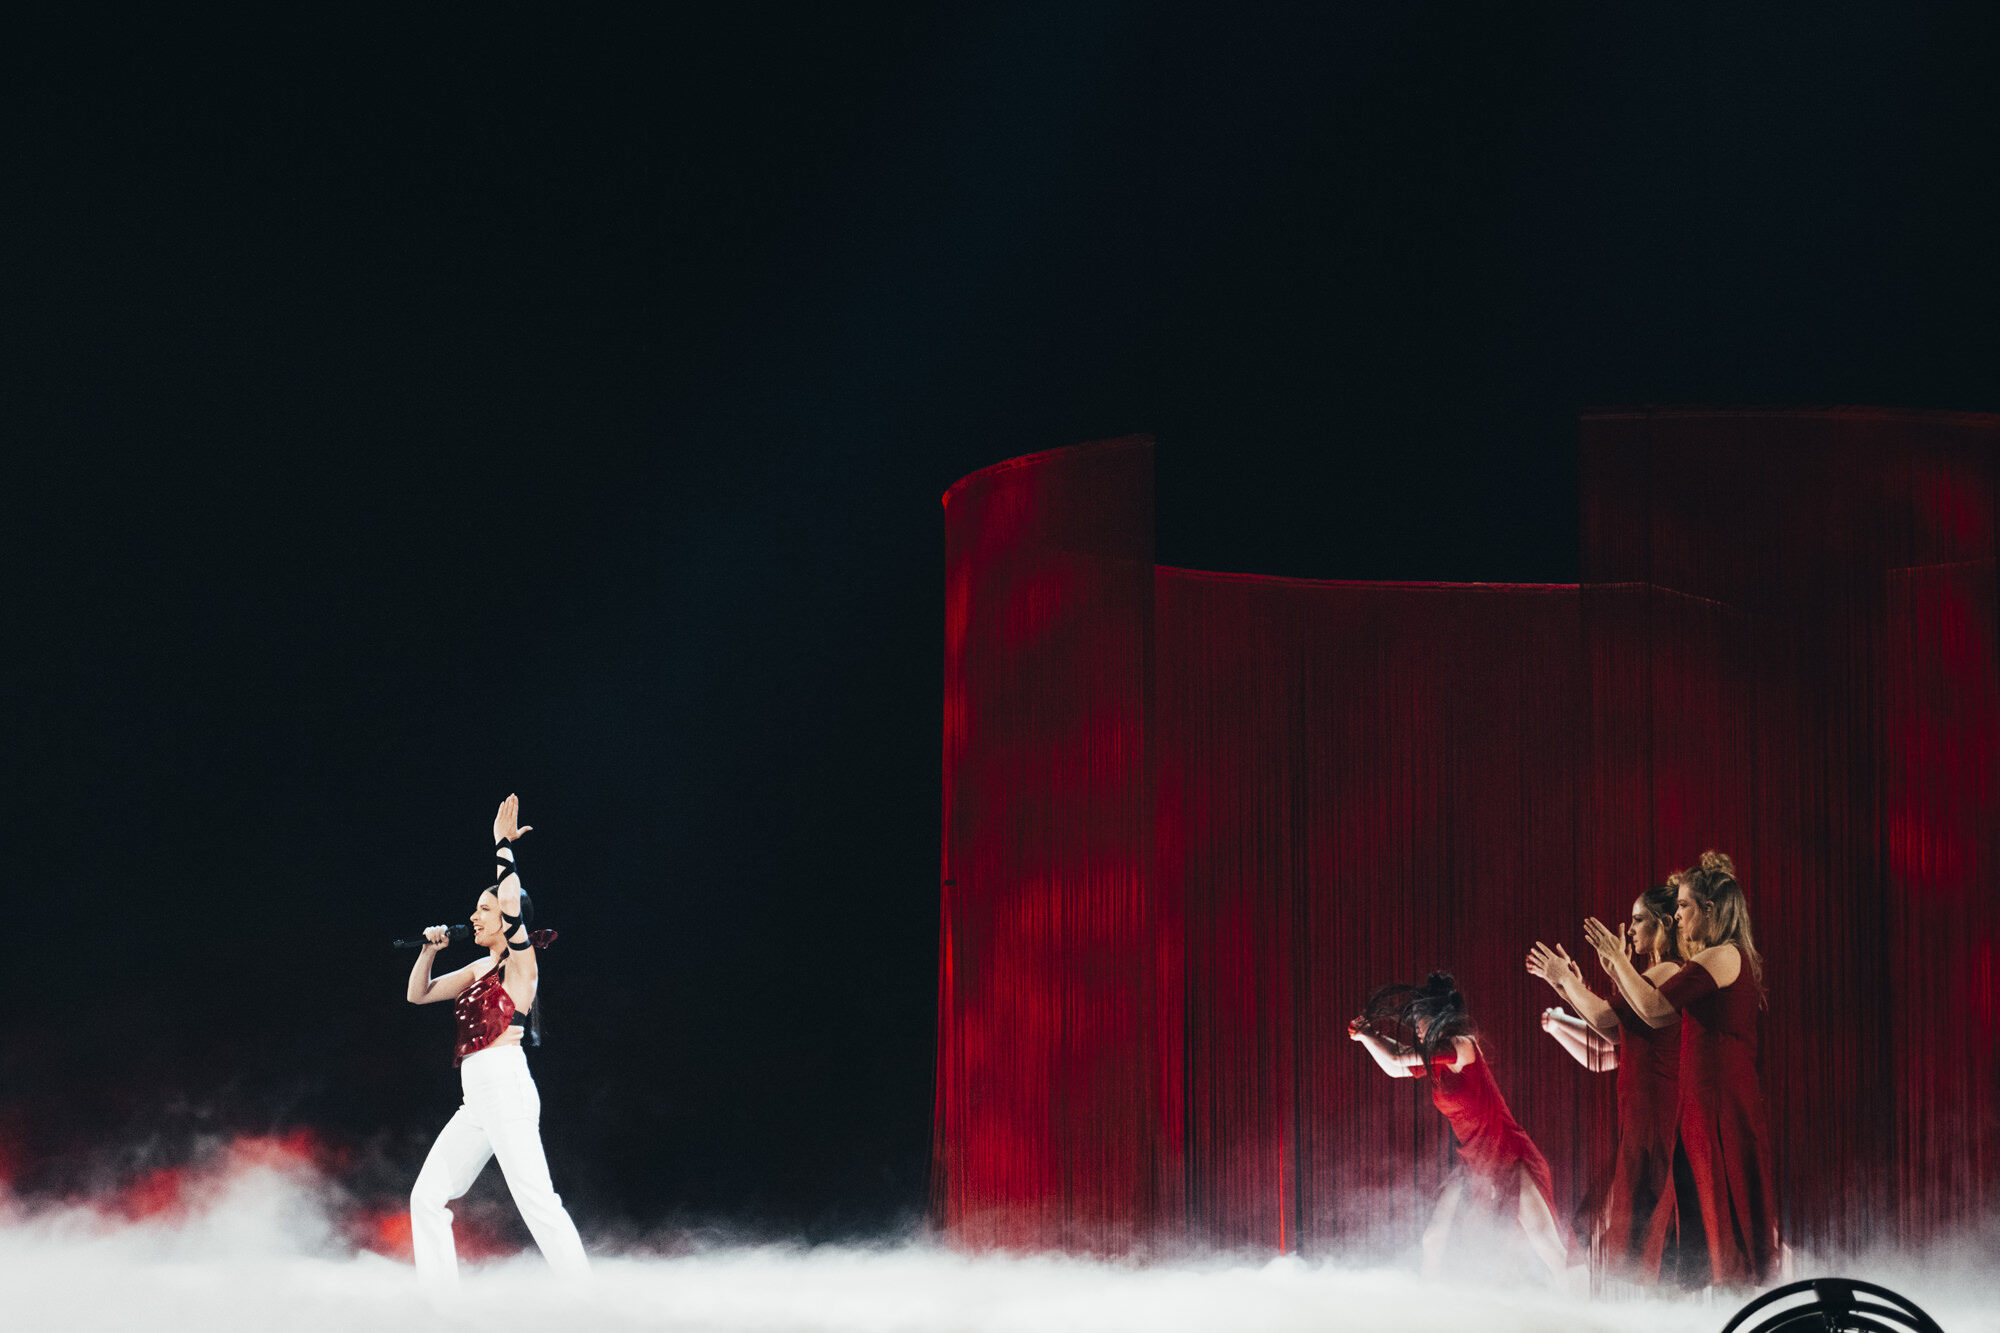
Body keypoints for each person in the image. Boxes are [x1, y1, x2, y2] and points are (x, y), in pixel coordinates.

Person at [405, 795, 590, 1293]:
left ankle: (587, 1304)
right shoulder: (476, 968)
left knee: (537, 1202)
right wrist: (428, 950)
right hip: (477, 1097)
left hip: (504, 1086)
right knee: (426, 1198)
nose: (475, 916)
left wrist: (502, 845)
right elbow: (418, 994)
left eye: (483, 909)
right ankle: (441, 1312)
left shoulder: (521, 962)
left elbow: (511, 904)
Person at [1584, 851, 1780, 1289]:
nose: (1677, 914)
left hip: (1719, 1108)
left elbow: (1653, 1010)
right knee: (1692, 1230)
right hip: (1698, 1108)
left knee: (1723, 1225)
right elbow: (1643, 1015)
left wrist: (1617, 961)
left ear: (1710, 910)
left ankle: (1737, 1304)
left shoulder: (1722, 956)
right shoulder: (1713, 957)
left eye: (1685, 905)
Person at [1350, 973, 1577, 1288]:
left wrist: (1368, 1036)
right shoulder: (1437, 1061)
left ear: (1438, 1018)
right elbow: (1395, 1065)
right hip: (1473, 1159)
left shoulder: (1462, 1046)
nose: (1416, 1027)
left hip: (1509, 1153)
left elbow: (1397, 1057)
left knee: (1546, 1244)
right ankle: (1428, 1305)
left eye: (1419, 1020)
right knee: (1434, 1237)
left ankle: (1586, 1302)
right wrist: (1368, 1035)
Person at [1528, 880, 1684, 1280]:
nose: (1629, 930)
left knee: (1637, 1230)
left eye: (1638, 920)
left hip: (1654, 1117)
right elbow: (1614, 1034)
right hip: (1642, 1116)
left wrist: (1570, 982)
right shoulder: (1654, 972)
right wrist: (1566, 984)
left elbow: (1604, 1022)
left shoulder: (1669, 969)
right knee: (1621, 1228)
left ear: (1665, 924)